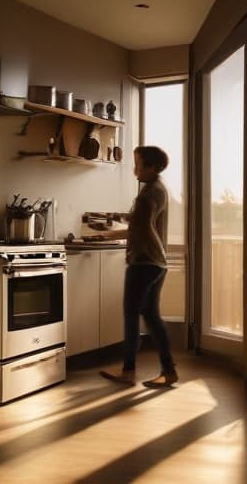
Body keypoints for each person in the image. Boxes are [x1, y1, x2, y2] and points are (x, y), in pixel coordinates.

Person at [99, 145, 178, 388]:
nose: (135, 169)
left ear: (152, 167)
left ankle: (129, 371)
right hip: (157, 262)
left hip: (143, 262)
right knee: (151, 315)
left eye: (139, 164)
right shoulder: (158, 189)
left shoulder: (147, 194)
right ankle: (168, 370)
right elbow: (141, 225)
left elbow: (142, 228)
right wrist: (110, 235)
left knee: (132, 315)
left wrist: (115, 234)